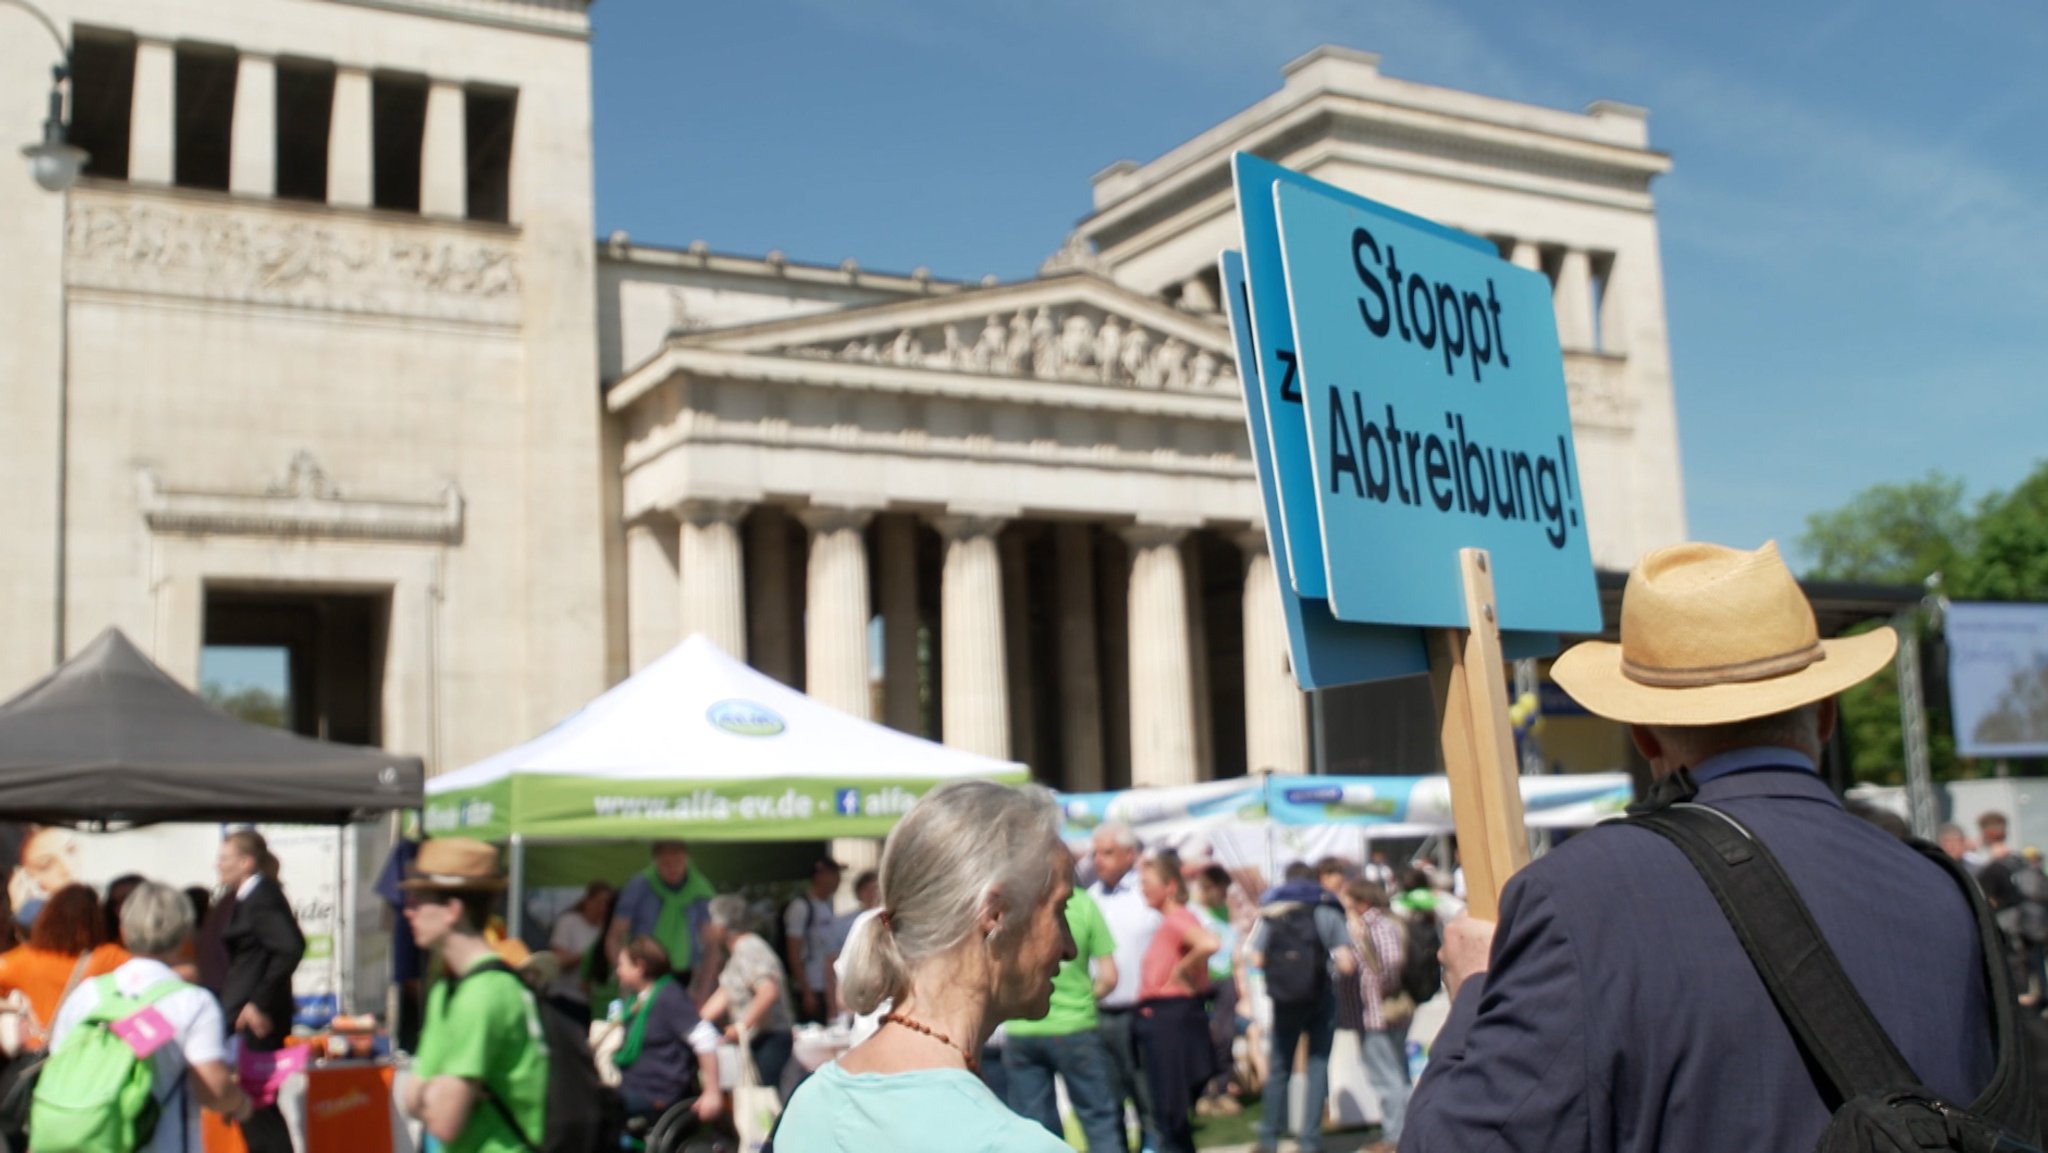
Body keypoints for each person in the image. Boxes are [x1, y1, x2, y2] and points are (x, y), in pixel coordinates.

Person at [1404, 540, 2018, 1151]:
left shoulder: (1576, 896)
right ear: (1826, 715)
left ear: (1644, 736)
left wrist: (1476, 995)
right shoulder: (1946, 888)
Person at [773, 779, 1076, 1152]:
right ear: (995, 914)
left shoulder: (809, 1107)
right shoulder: (1017, 1145)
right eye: (1059, 910)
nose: (1070, 948)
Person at [48, 881, 254, 1152]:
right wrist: (240, 1104)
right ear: (185, 935)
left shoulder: (86, 995)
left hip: (88, 1142)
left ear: (122, 931)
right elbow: (212, 1087)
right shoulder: (192, 1002)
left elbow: (60, 1064)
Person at [399, 838, 549, 1153]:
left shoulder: (486, 994)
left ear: (452, 910)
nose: (408, 910)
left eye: (419, 900)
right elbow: (409, 1097)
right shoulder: (446, 989)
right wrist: (438, 1093)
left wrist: (434, 1093)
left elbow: (442, 1122)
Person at [196, 829, 304, 1153]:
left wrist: (259, 1001)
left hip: (254, 1020)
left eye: (225, 859)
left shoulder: (263, 897)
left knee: (258, 1104)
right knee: (250, 1105)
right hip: (240, 1015)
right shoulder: (246, 897)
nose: (218, 865)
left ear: (245, 862)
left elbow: (290, 947)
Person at [1002, 881, 1125, 1151]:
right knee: (1099, 1118)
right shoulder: (1081, 903)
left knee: (1035, 1127)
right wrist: (1085, 997)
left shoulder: (1014, 902)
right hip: (1075, 1026)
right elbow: (1109, 976)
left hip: (1023, 1028)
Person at [1249, 862, 1355, 1153]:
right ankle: (1309, 1140)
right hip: (1322, 996)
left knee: (1280, 1065)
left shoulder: (1273, 912)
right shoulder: (1327, 911)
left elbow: (1255, 959)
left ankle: (1269, 1137)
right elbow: (1346, 963)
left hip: (1285, 999)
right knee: (1318, 1065)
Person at [1135, 854, 1219, 1153]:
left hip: (1171, 1018)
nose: (1141, 888)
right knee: (1170, 1114)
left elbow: (1210, 943)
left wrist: (1184, 968)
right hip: (1165, 1018)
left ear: (1169, 886)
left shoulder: (1177, 920)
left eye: (1147, 883)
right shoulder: (1172, 921)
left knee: (1170, 1111)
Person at [1089, 821, 1161, 1153]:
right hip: (1099, 1015)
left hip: (1142, 1014)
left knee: (1148, 1098)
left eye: (1106, 853)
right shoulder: (1090, 898)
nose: (1097, 860)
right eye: (1094, 854)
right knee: (1107, 1099)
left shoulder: (1148, 895)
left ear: (1129, 855)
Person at [613, 935, 723, 1127]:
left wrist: (712, 1092)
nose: (617, 971)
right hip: (632, 1085)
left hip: (656, 1092)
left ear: (639, 966)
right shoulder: (637, 1000)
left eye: (622, 965)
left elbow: (705, 1037)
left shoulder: (669, 996)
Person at [0, 884, 126, 1051]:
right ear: (96, 919)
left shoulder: (24, 959)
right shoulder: (110, 957)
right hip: (94, 1053)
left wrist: (16, 1008)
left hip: (45, 1057)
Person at [696, 894, 795, 1097]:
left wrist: (741, 1026)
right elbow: (726, 993)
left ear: (721, 926)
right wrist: (695, 1025)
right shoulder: (736, 953)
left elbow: (768, 991)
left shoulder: (749, 947)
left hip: (770, 1038)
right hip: (757, 1039)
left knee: (764, 1103)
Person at [1343, 880, 1411, 1153]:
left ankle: (1395, 1137)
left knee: (1387, 1078)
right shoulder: (1386, 922)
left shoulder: (1375, 925)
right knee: (1397, 1075)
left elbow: (1391, 961)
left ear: (1360, 901)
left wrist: (1381, 985)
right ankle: (1402, 1132)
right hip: (1383, 1012)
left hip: (1377, 1013)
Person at [607, 841, 716, 986]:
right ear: (655, 861)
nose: (672, 868)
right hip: (643, 974)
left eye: (678, 861)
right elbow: (614, 937)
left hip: (687, 975)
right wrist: (627, 973)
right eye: (666, 863)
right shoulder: (638, 886)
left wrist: (702, 989)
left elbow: (712, 945)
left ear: (688, 858)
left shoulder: (701, 889)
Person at [1189, 863, 1242, 1116]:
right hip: (1199, 979)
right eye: (1220, 891)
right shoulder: (1191, 910)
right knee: (1198, 1038)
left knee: (1225, 1035)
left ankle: (1221, 1088)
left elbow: (1231, 945)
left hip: (1224, 978)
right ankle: (1201, 1093)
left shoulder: (1223, 909)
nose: (1223, 897)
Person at [783, 859, 842, 1025]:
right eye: (833, 874)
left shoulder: (825, 907)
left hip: (828, 986)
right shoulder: (801, 907)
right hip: (812, 987)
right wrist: (805, 990)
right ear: (819, 877)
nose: (837, 880)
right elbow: (793, 951)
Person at [547, 880, 612, 1021]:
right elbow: (558, 960)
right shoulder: (569, 922)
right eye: (599, 902)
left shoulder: (605, 930)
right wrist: (587, 956)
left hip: (591, 1002)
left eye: (607, 904)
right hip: (565, 998)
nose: (602, 908)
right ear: (588, 900)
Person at [825, 869, 880, 1019]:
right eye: (867, 889)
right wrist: (835, 1000)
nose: (872, 893)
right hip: (856, 986)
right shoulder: (848, 923)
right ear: (859, 893)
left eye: (876, 888)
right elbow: (833, 961)